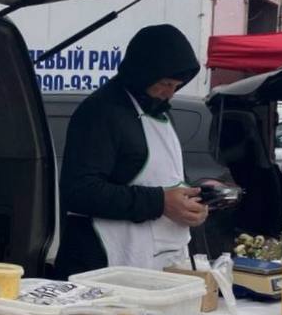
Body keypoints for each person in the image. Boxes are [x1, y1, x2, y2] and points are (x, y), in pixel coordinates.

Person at [55, 25, 207, 276]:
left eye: (176, 86)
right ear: (143, 73)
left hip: (158, 263)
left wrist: (192, 199)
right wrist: (160, 202)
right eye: (165, 84)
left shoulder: (159, 110)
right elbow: (79, 191)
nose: (169, 94)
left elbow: (165, 178)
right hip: (102, 264)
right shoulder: (100, 112)